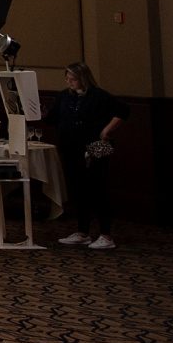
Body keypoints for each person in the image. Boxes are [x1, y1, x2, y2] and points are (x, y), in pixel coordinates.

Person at [54, 62, 126, 250]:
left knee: (97, 187)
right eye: (67, 78)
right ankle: (82, 231)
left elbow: (123, 111)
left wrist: (107, 131)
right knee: (78, 188)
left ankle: (106, 234)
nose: (69, 82)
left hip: (96, 145)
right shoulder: (64, 97)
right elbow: (52, 117)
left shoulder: (98, 96)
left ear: (83, 78)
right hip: (71, 146)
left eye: (73, 78)